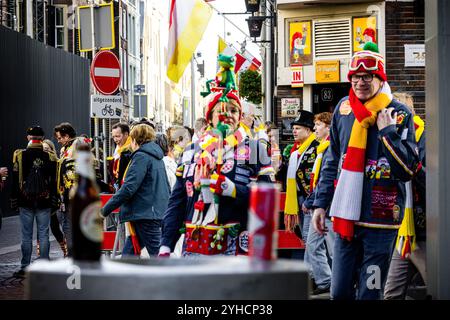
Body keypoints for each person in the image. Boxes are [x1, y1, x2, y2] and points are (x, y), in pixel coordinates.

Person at [311, 42, 420, 300]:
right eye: (356, 77)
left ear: (379, 78)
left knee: (370, 294)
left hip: (380, 222)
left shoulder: (399, 113)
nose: (360, 82)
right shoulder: (342, 109)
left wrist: (387, 133)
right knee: (339, 293)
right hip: (346, 218)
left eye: (367, 76)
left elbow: (408, 169)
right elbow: (332, 159)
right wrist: (320, 203)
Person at [159, 90, 274, 257]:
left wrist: (233, 190)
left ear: (240, 117)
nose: (227, 115)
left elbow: (267, 199)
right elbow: (178, 202)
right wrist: (166, 245)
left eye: (233, 110)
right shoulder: (192, 151)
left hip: (236, 248)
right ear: (209, 118)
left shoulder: (255, 149)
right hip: (195, 247)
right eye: (220, 110)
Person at [100, 124, 170, 257]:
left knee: (159, 257)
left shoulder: (141, 157)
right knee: (129, 254)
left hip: (145, 214)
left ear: (134, 139)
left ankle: (172, 278)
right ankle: (126, 275)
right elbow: (166, 186)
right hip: (151, 212)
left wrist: (104, 210)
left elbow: (128, 188)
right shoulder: (156, 157)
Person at [384, 92, 426, 299]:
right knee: (391, 293)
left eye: (398, 111)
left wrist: (413, 167)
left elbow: (432, 181)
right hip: (404, 232)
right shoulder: (390, 140)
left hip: (425, 230)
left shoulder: (425, 137)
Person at [10, 126, 58, 278]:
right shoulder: (50, 156)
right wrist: (54, 199)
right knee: (43, 234)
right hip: (44, 201)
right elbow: (53, 182)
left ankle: (25, 267)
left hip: (25, 201)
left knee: (26, 235)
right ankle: (44, 266)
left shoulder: (19, 155)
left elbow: (15, 181)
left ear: (28, 138)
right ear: (42, 139)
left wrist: (14, 199)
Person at [302, 112, 335, 295]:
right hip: (320, 206)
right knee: (313, 245)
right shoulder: (322, 148)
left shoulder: (330, 149)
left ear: (329, 128)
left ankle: (339, 283)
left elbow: (325, 179)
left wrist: (311, 200)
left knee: (334, 249)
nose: (315, 128)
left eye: (318, 125)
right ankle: (326, 281)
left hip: (328, 208)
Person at [284, 110, 319, 243]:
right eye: (293, 128)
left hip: (310, 200)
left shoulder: (317, 148)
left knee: (309, 239)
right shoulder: (297, 150)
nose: (294, 131)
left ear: (309, 130)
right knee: (306, 239)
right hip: (299, 199)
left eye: (298, 128)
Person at [38, 139, 68, 257]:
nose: (45, 151)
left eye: (47, 149)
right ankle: (42, 255)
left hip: (54, 200)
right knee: (41, 228)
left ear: (51, 150)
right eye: (43, 149)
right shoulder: (39, 163)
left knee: (55, 227)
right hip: (41, 199)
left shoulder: (57, 162)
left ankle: (65, 249)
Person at [54, 122, 77, 255]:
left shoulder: (76, 148)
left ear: (67, 136)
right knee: (67, 226)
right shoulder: (66, 148)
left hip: (72, 196)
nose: (58, 141)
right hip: (66, 195)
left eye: (59, 138)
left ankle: (73, 255)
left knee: (69, 227)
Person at [110, 122, 132, 191]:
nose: (115, 140)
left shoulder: (130, 151)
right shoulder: (119, 149)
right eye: (113, 137)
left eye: (118, 136)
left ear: (126, 134)